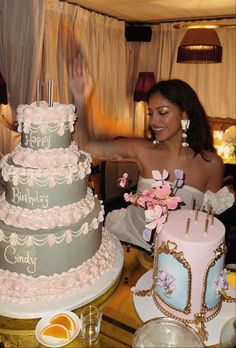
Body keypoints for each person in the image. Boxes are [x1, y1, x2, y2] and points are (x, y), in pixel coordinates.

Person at [69, 56, 234, 251]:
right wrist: (81, 99)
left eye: (162, 112)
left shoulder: (211, 163)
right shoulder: (142, 150)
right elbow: (87, 145)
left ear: (184, 114)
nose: (153, 121)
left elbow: (206, 223)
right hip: (129, 242)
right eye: (150, 113)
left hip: (177, 255)